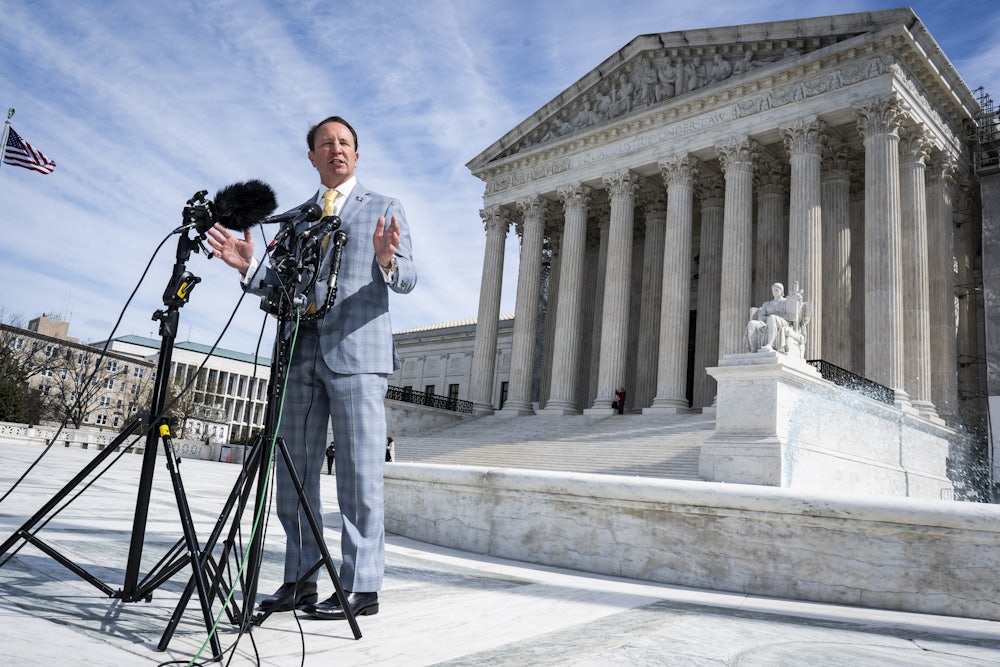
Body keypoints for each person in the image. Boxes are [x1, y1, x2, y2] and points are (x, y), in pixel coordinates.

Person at [207, 115, 416, 621]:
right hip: (297, 355)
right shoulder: (297, 217)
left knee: (359, 475)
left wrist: (387, 260)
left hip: (357, 359)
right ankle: (299, 580)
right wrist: (250, 268)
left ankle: (360, 587)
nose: (336, 149)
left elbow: (407, 279)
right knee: (293, 473)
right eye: (326, 143)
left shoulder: (385, 209)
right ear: (312, 156)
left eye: (345, 142)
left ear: (357, 155)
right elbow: (280, 287)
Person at [746, 282, 797, 354]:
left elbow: (793, 313)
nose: (774, 292)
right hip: (768, 322)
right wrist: (771, 317)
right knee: (751, 323)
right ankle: (753, 349)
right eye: (773, 290)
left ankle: (769, 345)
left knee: (772, 318)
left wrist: (796, 296)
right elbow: (760, 318)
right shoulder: (767, 304)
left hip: (784, 322)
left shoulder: (786, 302)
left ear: (782, 291)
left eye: (777, 290)